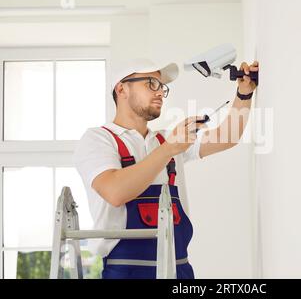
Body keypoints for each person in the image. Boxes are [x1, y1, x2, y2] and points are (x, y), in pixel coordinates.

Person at [73, 58, 259, 279]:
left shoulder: (166, 139)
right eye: (151, 83)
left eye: (162, 87)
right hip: (127, 272)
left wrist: (244, 93)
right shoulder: (98, 139)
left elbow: (227, 137)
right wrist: (169, 149)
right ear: (121, 88)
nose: (160, 92)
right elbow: (115, 192)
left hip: (178, 269)